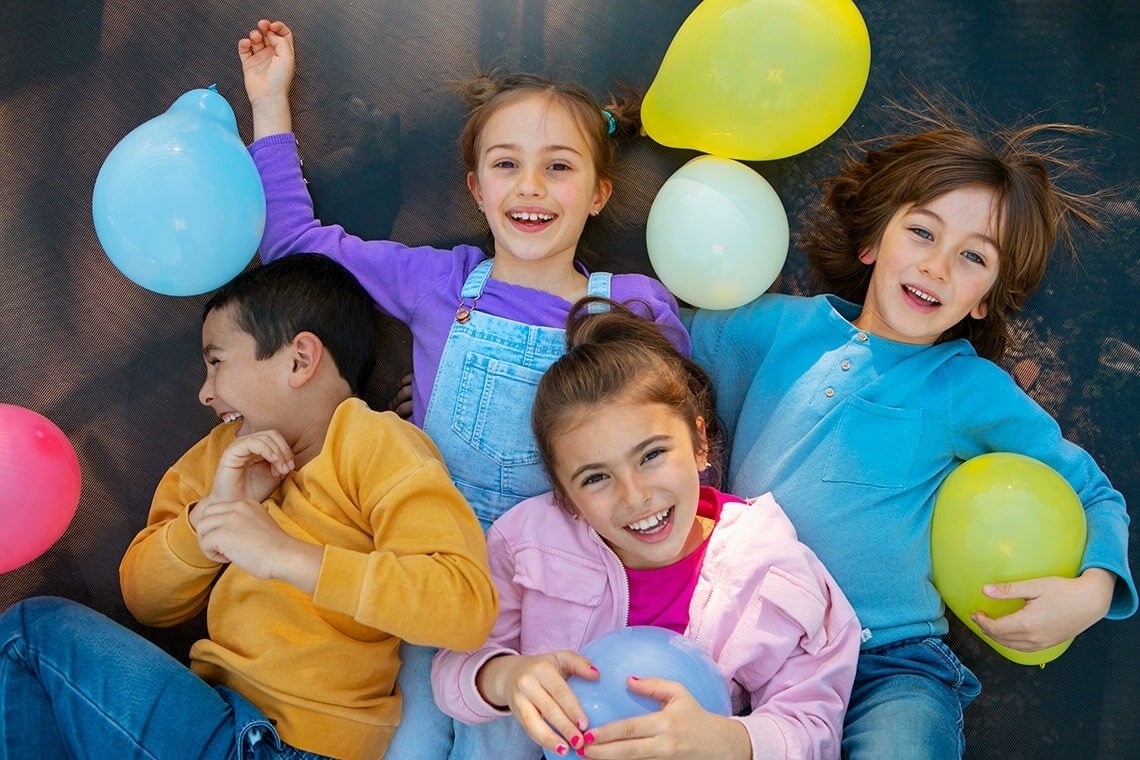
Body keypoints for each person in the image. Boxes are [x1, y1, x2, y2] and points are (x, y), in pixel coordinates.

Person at [238, 19, 690, 758]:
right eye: (507, 165)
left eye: (560, 167)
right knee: (412, 744)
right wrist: (269, 104)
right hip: (432, 583)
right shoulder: (439, 283)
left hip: (559, 604)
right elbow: (293, 245)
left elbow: (678, 448)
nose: (532, 187)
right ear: (477, 189)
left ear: (601, 192)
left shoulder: (633, 307)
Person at [686, 106, 1138, 759]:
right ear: (873, 242)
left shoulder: (964, 386)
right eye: (922, 232)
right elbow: (655, 345)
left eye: (972, 257)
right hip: (747, 646)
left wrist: (1090, 594)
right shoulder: (771, 327)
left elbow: (1094, 493)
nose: (937, 266)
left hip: (887, 661)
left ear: (984, 298)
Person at [0, 254, 497, 760]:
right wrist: (209, 520)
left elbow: (464, 607)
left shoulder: (374, 443)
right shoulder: (220, 455)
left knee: (26, 636)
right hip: (214, 713)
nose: (205, 392)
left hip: (290, 742)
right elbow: (145, 602)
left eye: (217, 362)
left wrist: (281, 554)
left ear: (300, 361)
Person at [432, 298, 862, 760]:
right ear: (566, 497)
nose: (635, 497)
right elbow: (453, 667)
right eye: (596, 478)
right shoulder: (526, 546)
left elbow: (815, 727)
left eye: (652, 455)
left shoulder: (770, 566)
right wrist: (506, 677)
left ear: (700, 444)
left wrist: (732, 740)